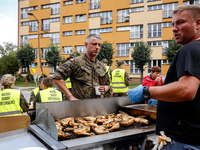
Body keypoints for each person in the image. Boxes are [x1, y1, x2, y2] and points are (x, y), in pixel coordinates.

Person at [128, 5, 200, 149]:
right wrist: (162, 96)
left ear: (198, 23)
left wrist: (146, 91)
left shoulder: (190, 49)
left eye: (180, 22)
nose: (174, 28)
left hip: (182, 140)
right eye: (173, 24)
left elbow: (186, 90)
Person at [53, 34, 111, 100]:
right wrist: (70, 97)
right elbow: (57, 76)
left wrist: (104, 88)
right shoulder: (76, 62)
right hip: (79, 106)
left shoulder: (101, 66)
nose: (97, 47)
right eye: (94, 44)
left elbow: (108, 84)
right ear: (86, 45)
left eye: (99, 45)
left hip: (95, 106)